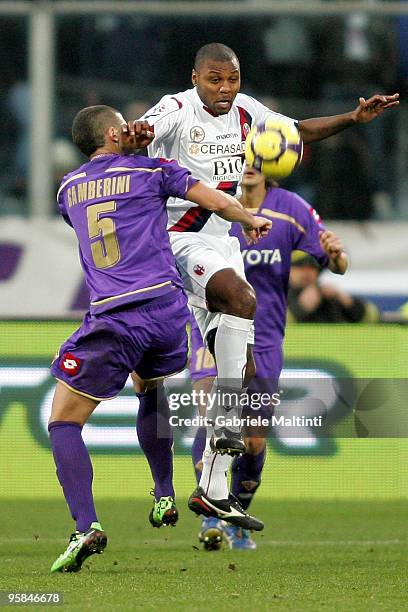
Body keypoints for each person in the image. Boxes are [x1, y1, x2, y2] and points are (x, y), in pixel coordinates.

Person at [139, 42, 398, 523]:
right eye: (215, 79)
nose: (224, 88)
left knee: (245, 362)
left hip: (225, 240)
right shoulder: (177, 109)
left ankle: (212, 490)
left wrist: (352, 119)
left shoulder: (248, 111)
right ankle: (221, 431)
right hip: (179, 238)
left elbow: (296, 132)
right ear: (194, 77)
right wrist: (138, 134)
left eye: (232, 79)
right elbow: (146, 131)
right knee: (241, 301)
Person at [48, 105, 271, 573]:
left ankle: (85, 526)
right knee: (151, 386)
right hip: (167, 311)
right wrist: (248, 217)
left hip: (114, 312)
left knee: (63, 421)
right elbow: (212, 200)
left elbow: (95, 224)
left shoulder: (67, 189)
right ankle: (165, 493)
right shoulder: (154, 170)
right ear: (115, 131)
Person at [189, 165, 348, 550]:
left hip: (264, 337)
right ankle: (211, 510)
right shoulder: (208, 198)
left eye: (256, 155)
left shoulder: (289, 208)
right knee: (212, 412)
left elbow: (337, 265)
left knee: (254, 440)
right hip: (209, 323)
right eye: (240, 153)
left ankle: (237, 514)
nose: (247, 163)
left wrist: (335, 255)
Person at [287, 252, 380, 323]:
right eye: (300, 266)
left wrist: (349, 303)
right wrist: (300, 309)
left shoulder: (328, 296)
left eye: (313, 267)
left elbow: (373, 318)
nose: (307, 272)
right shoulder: (277, 294)